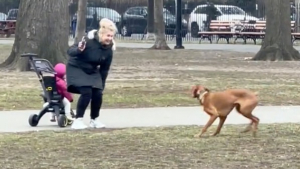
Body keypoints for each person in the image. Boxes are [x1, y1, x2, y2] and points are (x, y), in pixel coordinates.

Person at [66, 18, 117, 130]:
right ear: (101, 34)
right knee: (86, 91)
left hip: (91, 70)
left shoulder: (108, 50)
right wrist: (79, 50)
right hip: (76, 67)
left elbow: (104, 69)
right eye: (108, 36)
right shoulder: (88, 40)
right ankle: (78, 120)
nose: (110, 39)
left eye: (111, 36)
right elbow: (70, 51)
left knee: (98, 93)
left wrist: (101, 85)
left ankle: (94, 119)